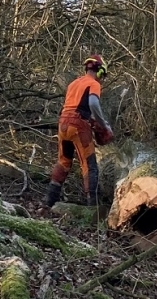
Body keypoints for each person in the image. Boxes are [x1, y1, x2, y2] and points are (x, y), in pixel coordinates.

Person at [46, 54, 113, 207]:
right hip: (78, 126)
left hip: (63, 123)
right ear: (100, 71)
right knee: (89, 166)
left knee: (63, 162)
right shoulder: (94, 83)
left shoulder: (73, 83)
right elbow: (94, 104)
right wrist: (103, 125)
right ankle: (93, 207)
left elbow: (74, 107)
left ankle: (49, 202)